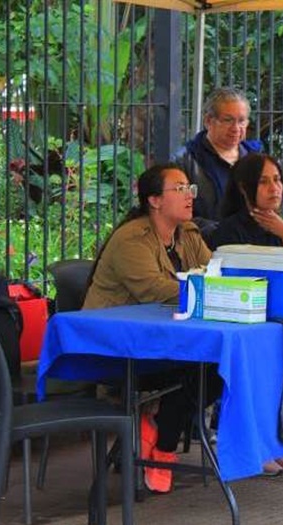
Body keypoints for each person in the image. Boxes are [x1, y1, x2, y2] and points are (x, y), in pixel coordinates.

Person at [84, 163, 213, 494]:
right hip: (119, 349)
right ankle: (161, 441)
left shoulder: (188, 235)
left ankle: (159, 434)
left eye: (190, 188)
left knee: (216, 364)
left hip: (164, 342)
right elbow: (154, 290)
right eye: (179, 189)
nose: (189, 196)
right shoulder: (132, 238)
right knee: (198, 368)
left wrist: (209, 284)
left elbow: (215, 273)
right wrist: (202, 285)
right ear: (154, 200)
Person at [205, 152, 283, 477]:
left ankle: (273, 443)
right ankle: (254, 447)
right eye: (264, 181)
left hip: (276, 322)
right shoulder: (229, 232)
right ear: (245, 189)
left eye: (278, 180)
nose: (275, 188)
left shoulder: (279, 226)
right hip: (242, 323)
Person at [173, 86, 263, 234]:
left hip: (251, 248)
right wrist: (221, 231)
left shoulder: (256, 159)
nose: (236, 128)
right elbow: (176, 213)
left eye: (241, 121)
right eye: (228, 120)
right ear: (208, 121)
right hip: (203, 246)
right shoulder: (185, 161)